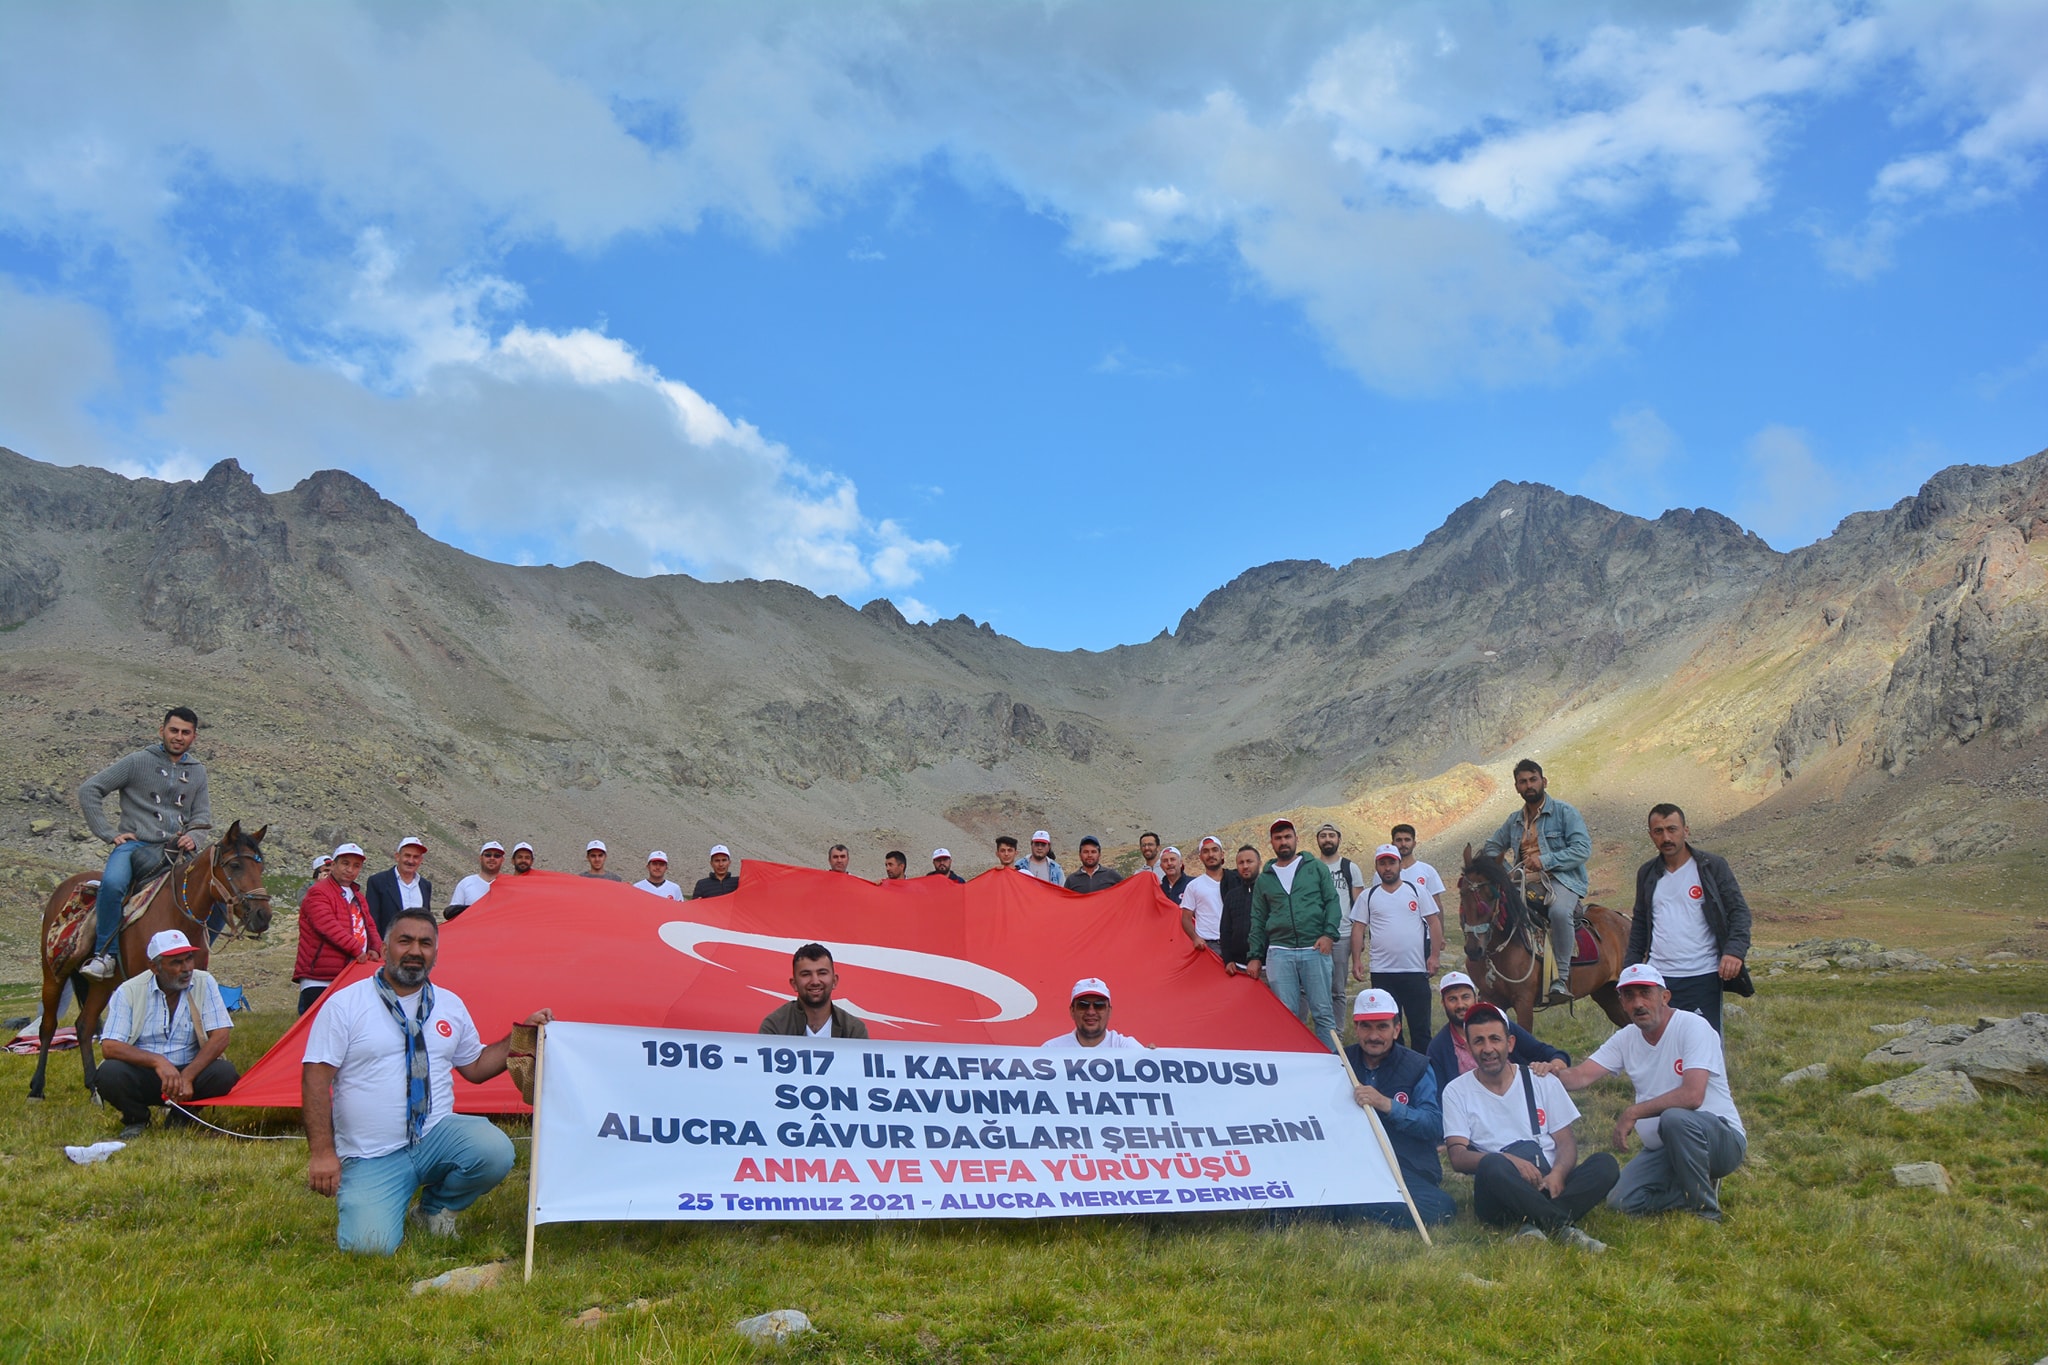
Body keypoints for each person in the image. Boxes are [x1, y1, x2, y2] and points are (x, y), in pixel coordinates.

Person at [302, 908, 551, 1253]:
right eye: (405, 941)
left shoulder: (449, 1005)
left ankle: (434, 1210)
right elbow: (315, 1079)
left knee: (494, 1151)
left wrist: (522, 1036)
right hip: (372, 1153)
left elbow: (476, 1066)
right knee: (368, 1248)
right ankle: (382, 1200)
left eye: (425, 943)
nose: (415, 951)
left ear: (435, 952)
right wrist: (322, 1153)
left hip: (434, 1136)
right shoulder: (346, 1004)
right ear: (387, 946)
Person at [1544, 964, 1746, 1221]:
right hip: (1664, 1149)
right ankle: (1692, 1190)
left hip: (1720, 1141)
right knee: (1621, 1201)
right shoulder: (1627, 1037)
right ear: (1621, 1003)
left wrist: (1633, 1112)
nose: (1638, 1003)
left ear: (1664, 997)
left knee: (1675, 1118)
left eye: (1645, 993)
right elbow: (1580, 1076)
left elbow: (1693, 1096)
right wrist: (1546, 1071)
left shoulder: (1693, 1026)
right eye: (1629, 996)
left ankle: (1706, 1212)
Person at [1442, 1004, 1618, 1250]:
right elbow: (1458, 1157)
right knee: (1492, 1164)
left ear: (1510, 1043)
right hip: (1499, 1192)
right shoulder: (1456, 1091)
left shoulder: (1540, 1079)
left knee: (1605, 1164)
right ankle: (1563, 1228)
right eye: (1479, 1041)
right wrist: (1509, 1160)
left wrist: (1558, 1173)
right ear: (1469, 1047)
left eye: (1495, 1039)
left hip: (1547, 1183)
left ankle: (1534, 1227)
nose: (1488, 1049)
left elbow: (1565, 1141)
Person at [77, 706, 211, 979]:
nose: (178, 736)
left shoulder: (198, 772)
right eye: (173, 730)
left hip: (176, 852)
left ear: (194, 737)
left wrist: (194, 837)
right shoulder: (137, 761)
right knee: (113, 884)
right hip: (135, 846)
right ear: (161, 731)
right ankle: (106, 955)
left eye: (185, 732)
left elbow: (202, 816)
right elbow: (90, 789)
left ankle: (198, 952)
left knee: (215, 890)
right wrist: (108, 832)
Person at [97, 929, 237, 1139]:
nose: (187, 968)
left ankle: (183, 1116)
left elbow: (221, 1036)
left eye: (189, 959)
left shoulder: (204, 982)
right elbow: (110, 1046)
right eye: (176, 963)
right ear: (155, 967)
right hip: (146, 1073)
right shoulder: (129, 991)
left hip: (190, 1071)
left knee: (225, 1074)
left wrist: (188, 1076)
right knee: (109, 1073)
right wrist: (157, 1062)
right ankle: (136, 1118)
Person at [1625, 804, 1753, 1033]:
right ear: (1650, 835)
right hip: (1658, 978)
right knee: (1659, 1045)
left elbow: (1739, 912)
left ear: (1686, 830)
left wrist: (1734, 951)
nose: (1666, 837)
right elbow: (1641, 924)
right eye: (1658, 831)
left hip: (1702, 975)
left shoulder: (1711, 867)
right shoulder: (1647, 873)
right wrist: (1630, 970)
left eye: (1672, 829)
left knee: (1703, 1048)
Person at [1480, 759, 1591, 1004]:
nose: (1529, 785)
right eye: (1523, 782)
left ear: (1543, 781)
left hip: (1561, 880)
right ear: (1517, 787)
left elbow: (1582, 849)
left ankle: (1561, 978)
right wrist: (1507, 874)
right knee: (1492, 912)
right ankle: (1492, 976)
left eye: (1533, 779)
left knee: (1560, 912)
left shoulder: (1564, 812)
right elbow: (1491, 848)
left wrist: (1547, 860)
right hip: (1524, 883)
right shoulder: (1514, 820)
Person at [1341, 989, 1453, 1228]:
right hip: (1353, 1162)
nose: (1374, 1036)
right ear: (1356, 1028)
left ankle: (1353, 1204)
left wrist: (1387, 1105)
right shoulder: (1339, 1062)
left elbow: (1433, 1124)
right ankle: (1361, 1201)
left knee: (1441, 1209)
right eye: (1366, 1027)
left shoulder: (1418, 1066)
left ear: (1397, 1029)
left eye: (1382, 1026)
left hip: (1405, 1165)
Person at [1246, 819, 1342, 1052]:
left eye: (1287, 836)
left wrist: (1329, 934)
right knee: (1286, 1015)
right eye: (1278, 838)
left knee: (1323, 1012)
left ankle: (1332, 1065)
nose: (1283, 842)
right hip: (1280, 951)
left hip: (1314, 949)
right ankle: (1294, 1064)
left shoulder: (1314, 867)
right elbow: (1258, 918)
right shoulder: (1265, 877)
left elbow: (1332, 900)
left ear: (1296, 839)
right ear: (1271, 843)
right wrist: (1255, 955)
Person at [1350, 845, 1443, 1050]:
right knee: (1388, 1029)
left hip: (1415, 971)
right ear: (1376, 867)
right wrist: (1356, 960)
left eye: (1391, 862)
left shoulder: (1417, 891)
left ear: (1400, 864)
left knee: (1420, 1029)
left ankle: (1422, 1071)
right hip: (1383, 973)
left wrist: (1434, 956)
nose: (1387, 868)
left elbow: (1434, 923)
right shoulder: (1368, 895)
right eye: (1382, 863)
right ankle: (1393, 1070)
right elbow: (1358, 928)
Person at [1426, 970, 1569, 1091]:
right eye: (1452, 999)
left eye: (1465, 997)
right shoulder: (1438, 1047)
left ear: (1476, 999)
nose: (1460, 1005)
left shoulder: (1501, 1026)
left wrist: (1554, 1066)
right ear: (1443, 1003)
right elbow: (1440, 1095)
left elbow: (1548, 1053)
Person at [295, 844, 383, 1016]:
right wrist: (357, 949)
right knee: (318, 1032)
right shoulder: (318, 892)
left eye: (356, 866)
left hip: (350, 975)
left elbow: (370, 925)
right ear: (333, 865)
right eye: (345, 863)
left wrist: (375, 948)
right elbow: (326, 925)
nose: (350, 869)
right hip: (320, 978)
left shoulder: (358, 896)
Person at [758, 944, 870, 1038]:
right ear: (794, 984)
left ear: (834, 981)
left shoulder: (854, 1030)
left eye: (822, 973)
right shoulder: (775, 1026)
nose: (815, 981)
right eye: (806, 974)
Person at [1317, 823, 1366, 1032]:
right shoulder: (1311, 867)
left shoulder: (1350, 868)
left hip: (1343, 935)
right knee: (1313, 988)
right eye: (1323, 836)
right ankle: (1320, 1030)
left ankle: (1337, 1032)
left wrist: (1360, 938)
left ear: (1339, 839)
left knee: (1338, 989)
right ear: (1318, 840)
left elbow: (1359, 906)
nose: (1327, 839)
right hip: (1315, 936)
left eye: (1331, 835)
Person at [1042, 978, 1143, 1049]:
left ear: (1109, 1011)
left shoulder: (1126, 1047)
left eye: (1099, 1005)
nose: (1091, 1012)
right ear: (1072, 1011)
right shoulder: (1052, 1049)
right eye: (1083, 1005)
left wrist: (1153, 1056)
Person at [366, 836, 433, 939]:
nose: (411, 861)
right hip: (388, 947)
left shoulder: (425, 885)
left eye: (415, 857)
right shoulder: (378, 882)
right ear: (397, 856)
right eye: (407, 855)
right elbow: (371, 920)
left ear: (420, 860)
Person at [1391, 823, 1447, 920]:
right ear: (1393, 844)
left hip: (1424, 933)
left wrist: (1439, 934)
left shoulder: (1428, 871)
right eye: (1399, 840)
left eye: (1407, 840)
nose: (1403, 844)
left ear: (1414, 843)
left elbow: (1437, 906)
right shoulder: (1384, 874)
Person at [1217, 845, 1260, 970]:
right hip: (1238, 966)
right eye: (1241, 863)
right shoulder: (1231, 895)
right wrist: (1228, 960)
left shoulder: (1270, 891)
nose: (1245, 866)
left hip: (1267, 966)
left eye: (1249, 861)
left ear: (1259, 863)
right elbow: (1225, 930)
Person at [1179, 838, 1226, 948]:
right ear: (1200, 857)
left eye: (1215, 850)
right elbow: (1186, 918)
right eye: (1205, 851)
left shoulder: (1235, 880)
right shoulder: (1193, 886)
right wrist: (1195, 938)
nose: (1211, 855)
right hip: (1208, 945)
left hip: (1233, 942)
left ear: (1222, 854)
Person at [443, 842, 503, 921]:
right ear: (481, 858)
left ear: (502, 860)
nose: (492, 858)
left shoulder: (509, 885)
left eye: (497, 856)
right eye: (488, 855)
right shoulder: (465, 883)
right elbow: (452, 914)